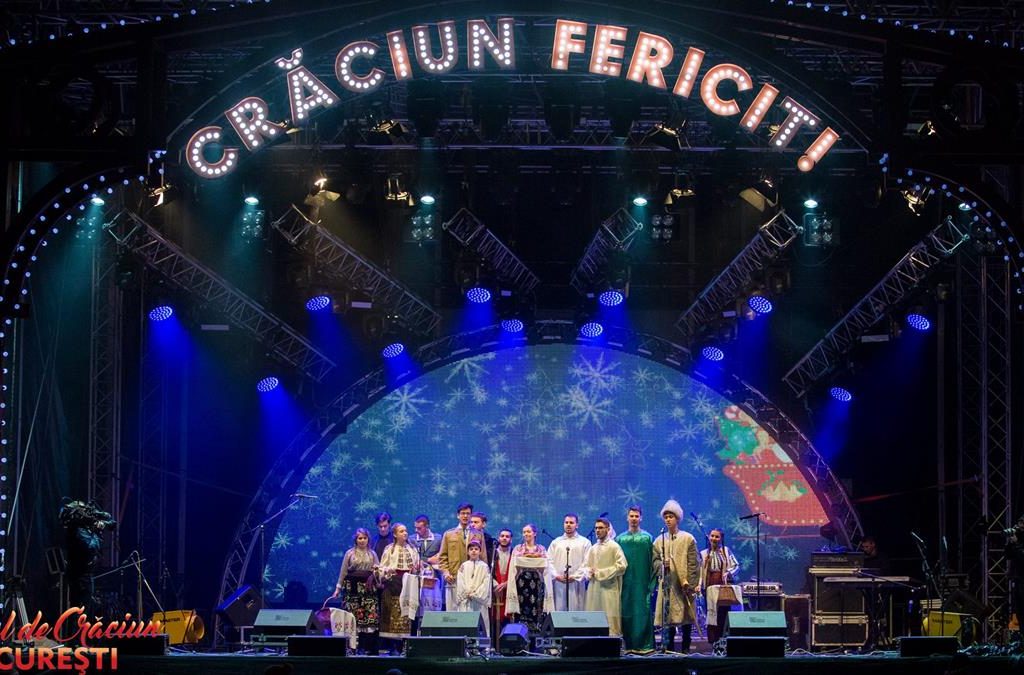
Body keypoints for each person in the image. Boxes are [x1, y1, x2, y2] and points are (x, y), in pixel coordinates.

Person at [652, 499, 699, 652]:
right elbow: (654, 561)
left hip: (684, 585)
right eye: (666, 517)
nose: (668, 520)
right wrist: (661, 565)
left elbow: (694, 563)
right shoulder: (659, 540)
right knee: (668, 618)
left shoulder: (688, 538)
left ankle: (686, 649)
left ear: (677, 518)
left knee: (686, 618)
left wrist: (690, 585)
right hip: (667, 585)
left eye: (671, 517)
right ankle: (669, 649)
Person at [331, 528, 380, 654]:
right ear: (356, 539)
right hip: (352, 590)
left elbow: (378, 570)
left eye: (365, 538)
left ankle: (366, 647)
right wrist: (337, 589)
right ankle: (353, 648)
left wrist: (376, 576)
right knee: (353, 618)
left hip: (368, 590)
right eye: (360, 538)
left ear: (368, 539)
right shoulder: (349, 553)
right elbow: (343, 572)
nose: (362, 540)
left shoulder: (372, 554)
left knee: (368, 619)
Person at [616, 505, 655, 652]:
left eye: (636, 516)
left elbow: (653, 562)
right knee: (626, 612)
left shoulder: (647, 538)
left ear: (641, 518)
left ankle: (644, 645)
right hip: (625, 583)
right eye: (631, 516)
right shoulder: (620, 539)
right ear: (627, 517)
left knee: (643, 612)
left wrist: (652, 583)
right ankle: (627, 645)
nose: (634, 519)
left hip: (642, 582)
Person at [376, 523, 421, 648]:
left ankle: (405, 645)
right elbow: (382, 567)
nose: (405, 533)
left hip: (408, 584)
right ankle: (393, 646)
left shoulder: (412, 549)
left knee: (406, 614)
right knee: (392, 613)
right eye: (401, 531)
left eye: (405, 531)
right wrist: (387, 571)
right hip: (393, 584)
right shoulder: (389, 549)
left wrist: (417, 569)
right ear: (395, 534)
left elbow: (417, 567)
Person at [582, 517, 628, 636]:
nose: (598, 530)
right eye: (596, 528)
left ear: (608, 529)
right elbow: (585, 566)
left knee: (609, 619)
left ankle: (612, 643)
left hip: (609, 589)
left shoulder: (614, 547)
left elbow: (622, 566)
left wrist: (601, 573)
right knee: (593, 618)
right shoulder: (593, 548)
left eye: (601, 528)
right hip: (594, 589)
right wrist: (589, 572)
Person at [505, 523, 553, 634]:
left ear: (534, 533)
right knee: (522, 607)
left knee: (536, 607)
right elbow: (513, 567)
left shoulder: (541, 549)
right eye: (524, 532)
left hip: (536, 582)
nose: (526, 534)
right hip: (522, 582)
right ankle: (520, 634)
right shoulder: (518, 548)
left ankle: (536, 634)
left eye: (528, 531)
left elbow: (546, 567)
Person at [698, 527, 741, 643]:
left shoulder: (726, 551)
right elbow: (700, 571)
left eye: (717, 537)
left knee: (723, 613)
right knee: (711, 613)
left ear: (721, 539)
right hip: (709, 586)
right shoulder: (704, 553)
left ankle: (723, 639)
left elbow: (736, 566)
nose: (714, 538)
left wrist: (728, 573)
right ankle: (713, 641)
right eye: (712, 536)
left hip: (722, 586)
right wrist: (699, 585)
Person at [438, 502, 486, 608]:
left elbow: (483, 558)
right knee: (453, 613)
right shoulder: (448, 534)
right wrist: (446, 573)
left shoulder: (478, 534)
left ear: (471, 515)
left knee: (470, 613)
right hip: (453, 579)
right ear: (458, 515)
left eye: (468, 513)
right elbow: (442, 557)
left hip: (473, 582)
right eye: (463, 513)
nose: (465, 516)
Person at [547, 513, 591, 611]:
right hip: (559, 583)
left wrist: (575, 576)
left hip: (576, 583)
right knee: (559, 609)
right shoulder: (556, 543)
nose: (568, 525)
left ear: (577, 525)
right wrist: (556, 575)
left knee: (576, 609)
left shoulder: (585, 542)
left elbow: (587, 562)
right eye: (566, 522)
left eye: (571, 522)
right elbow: (548, 561)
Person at [411, 515, 443, 630]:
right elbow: (413, 557)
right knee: (417, 606)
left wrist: (433, 559)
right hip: (417, 579)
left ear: (427, 526)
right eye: (415, 528)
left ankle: (432, 631)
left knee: (433, 606)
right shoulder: (411, 539)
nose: (416, 530)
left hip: (434, 579)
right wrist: (428, 559)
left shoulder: (438, 539)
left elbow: (441, 557)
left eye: (419, 528)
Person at [455, 540, 493, 636]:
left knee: (481, 625)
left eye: (476, 549)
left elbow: (486, 583)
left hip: (478, 601)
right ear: (468, 552)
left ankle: (483, 643)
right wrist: (467, 593)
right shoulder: (463, 566)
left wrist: (475, 594)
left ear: (480, 551)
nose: (474, 551)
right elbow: (460, 582)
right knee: (465, 624)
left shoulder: (484, 567)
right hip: (466, 600)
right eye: (471, 549)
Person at [492, 528, 514, 633]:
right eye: (502, 536)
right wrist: (495, 585)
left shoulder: (515, 553)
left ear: (511, 539)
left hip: (510, 589)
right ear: (498, 538)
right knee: (495, 620)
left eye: (507, 536)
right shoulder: (492, 553)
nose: (504, 538)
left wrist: (507, 583)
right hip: (495, 590)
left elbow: (517, 572)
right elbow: (488, 571)